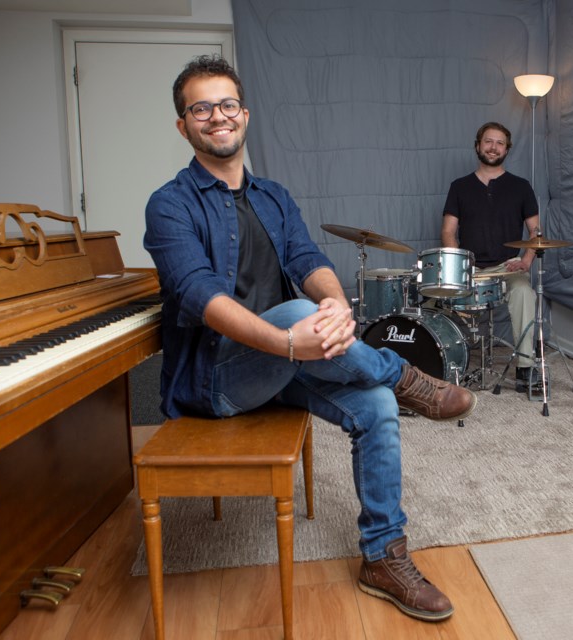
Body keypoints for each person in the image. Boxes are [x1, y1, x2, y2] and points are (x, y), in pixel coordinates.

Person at [144, 55, 476, 622]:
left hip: (286, 361)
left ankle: (382, 556)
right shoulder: (170, 204)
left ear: (244, 115)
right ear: (184, 125)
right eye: (201, 108)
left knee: (371, 403)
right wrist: (293, 341)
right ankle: (404, 377)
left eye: (227, 105)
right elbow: (201, 297)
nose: (216, 117)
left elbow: (308, 258)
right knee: (302, 310)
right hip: (219, 378)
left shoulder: (273, 195)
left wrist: (338, 308)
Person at [441, 121, 540, 385]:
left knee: (523, 293)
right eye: (488, 141)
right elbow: (449, 232)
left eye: (499, 143)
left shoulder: (521, 186)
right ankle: (441, 363)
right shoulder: (459, 186)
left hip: (507, 266)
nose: (493, 147)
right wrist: (459, 265)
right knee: (430, 298)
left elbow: (536, 232)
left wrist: (527, 260)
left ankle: (525, 366)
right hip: (469, 267)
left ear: (507, 149)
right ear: (478, 145)